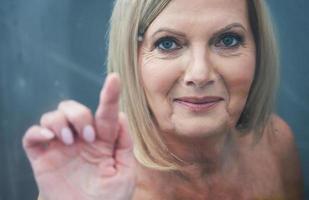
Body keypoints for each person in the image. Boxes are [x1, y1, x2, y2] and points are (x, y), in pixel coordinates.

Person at [23, 0, 304, 199]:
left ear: (259, 49)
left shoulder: (276, 143)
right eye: (167, 43)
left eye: (228, 40)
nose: (200, 73)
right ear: (131, 59)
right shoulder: (100, 184)